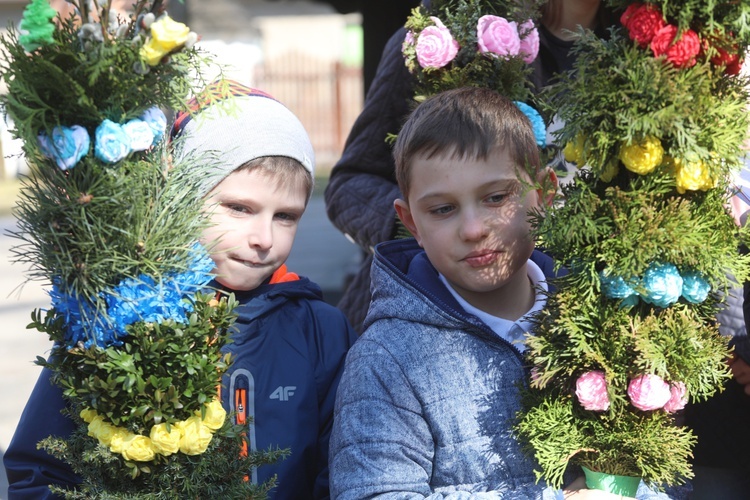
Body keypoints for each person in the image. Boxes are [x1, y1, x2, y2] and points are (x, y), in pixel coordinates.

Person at [4, 81, 358, 499]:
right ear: (180, 202)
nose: (264, 237)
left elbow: (344, 469)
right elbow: (38, 471)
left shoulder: (321, 330)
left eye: (285, 216)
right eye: (239, 208)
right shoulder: (114, 321)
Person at [329, 86, 674, 499]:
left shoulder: (603, 321)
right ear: (412, 224)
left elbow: (657, 465)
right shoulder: (387, 360)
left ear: (544, 195)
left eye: (496, 198)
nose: (473, 229)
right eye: (443, 209)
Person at [324, 0, 616, 333]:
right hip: (432, 319)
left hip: (581, 322)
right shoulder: (443, 34)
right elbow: (350, 184)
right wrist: (435, 226)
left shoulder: (663, 50)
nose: (474, 228)